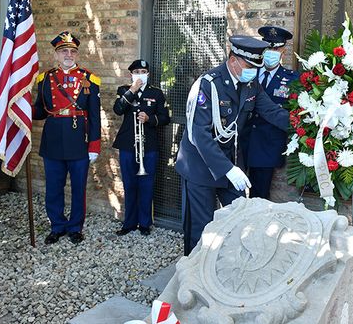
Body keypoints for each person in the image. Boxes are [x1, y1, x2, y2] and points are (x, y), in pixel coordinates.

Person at [176, 35, 289, 255]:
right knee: (201, 227)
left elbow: (272, 112)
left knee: (239, 219)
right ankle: (192, 277)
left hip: (230, 162)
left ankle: (225, 270)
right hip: (200, 165)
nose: (254, 72)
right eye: (249, 66)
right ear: (234, 59)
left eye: (257, 67)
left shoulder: (251, 83)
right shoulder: (208, 84)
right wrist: (229, 170)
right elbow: (199, 134)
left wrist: (312, 123)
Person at [33, 31, 101, 245]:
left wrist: (94, 145)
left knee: (78, 188)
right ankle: (57, 226)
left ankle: (75, 227)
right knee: (53, 187)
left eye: (72, 51)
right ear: (56, 54)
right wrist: (21, 105)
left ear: (77, 54)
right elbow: (41, 111)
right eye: (64, 51)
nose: (68, 55)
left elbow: (94, 116)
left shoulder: (89, 79)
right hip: (52, 138)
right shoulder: (45, 79)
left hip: (78, 139)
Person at [112, 59, 170, 236]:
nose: (140, 74)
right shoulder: (124, 90)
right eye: (136, 71)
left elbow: (165, 117)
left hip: (149, 145)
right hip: (128, 145)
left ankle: (144, 223)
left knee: (146, 185)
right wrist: (132, 90)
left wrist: (150, 119)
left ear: (148, 74)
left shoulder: (157, 93)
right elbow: (118, 109)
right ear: (131, 74)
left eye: (143, 71)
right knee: (129, 184)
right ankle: (129, 223)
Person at [242, 26, 299, 199]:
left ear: (283, 50)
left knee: (259, 194)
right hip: (243, 140)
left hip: (268, 144)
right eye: (268, 48)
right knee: (235, 193)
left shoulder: (292, 79)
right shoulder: (249, 73)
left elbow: (292, 112)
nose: (271, 52)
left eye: (275, 48)